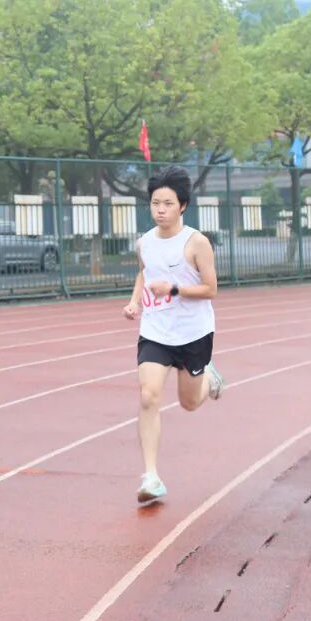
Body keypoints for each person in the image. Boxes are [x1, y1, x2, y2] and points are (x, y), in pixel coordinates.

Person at [122, 165, 225, 505]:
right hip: (155, 330)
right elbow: (144, 273)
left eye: (167, 203)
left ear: (183, 205)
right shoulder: (144, 243)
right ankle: (151, 476)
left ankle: (209, 378)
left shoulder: (196, 243)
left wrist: (175, 289)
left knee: (189, 403)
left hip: (193, 333)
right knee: (148, 395)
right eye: (155, 203)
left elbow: (211, 289)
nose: (160, 210)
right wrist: (135, 302)